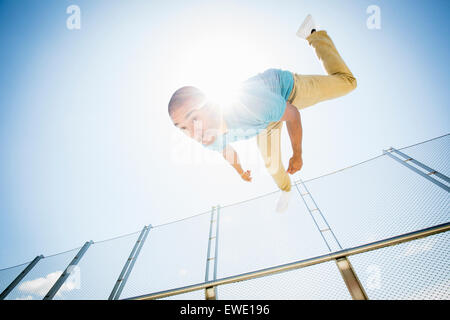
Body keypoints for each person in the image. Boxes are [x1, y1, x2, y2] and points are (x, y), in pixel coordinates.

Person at [168, 15, 357, 212]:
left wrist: (297, 154)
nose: (193, 132)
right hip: (264, 123)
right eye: (183, 128)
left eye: (194, 118)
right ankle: (286, 190)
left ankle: (313, 33)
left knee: (347, 83)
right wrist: (241, 172)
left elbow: (292, 115)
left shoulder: (248, 104)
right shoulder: (208, 138)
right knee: (272, 164)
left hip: (285, 92)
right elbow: (228, 152)